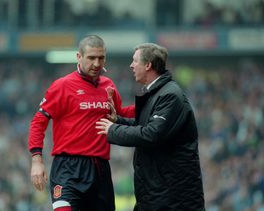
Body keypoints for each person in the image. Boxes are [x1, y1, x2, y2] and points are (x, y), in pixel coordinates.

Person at [28, 35, 134, 211]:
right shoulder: (62, 86)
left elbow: (121, 114)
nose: (97, 63)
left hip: (100, 170)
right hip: (67, 168)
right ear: (79, 57)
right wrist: (37, 160)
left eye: (101, 58)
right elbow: (38, 122)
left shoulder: (109, 86)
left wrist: (151, 104)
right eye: (91, 58)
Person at [96, 43, 205, 210]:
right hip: (157, 194)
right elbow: (143, 125)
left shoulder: (170, 95)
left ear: (148, 65)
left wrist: (113, 130)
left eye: (135, 61)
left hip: (173, 198)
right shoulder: (156, 93)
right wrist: (117, 120)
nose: (131, 65)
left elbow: (151, 134)